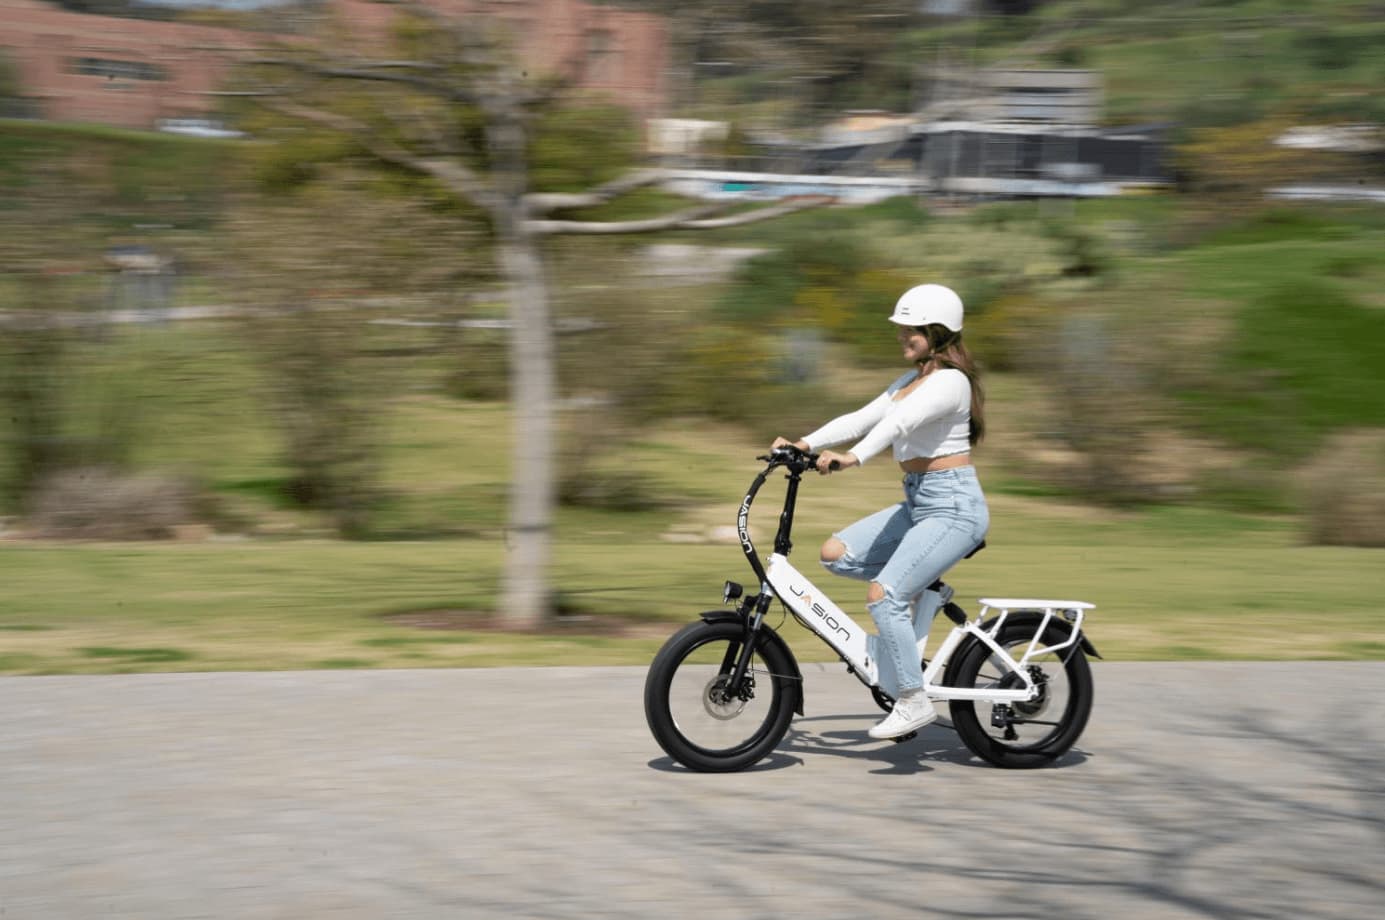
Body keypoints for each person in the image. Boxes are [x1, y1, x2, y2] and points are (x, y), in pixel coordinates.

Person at [772, 283, 989, 740]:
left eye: (911, 329)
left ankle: (912, 699)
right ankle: (924, 592)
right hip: (919, 502)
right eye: (902, 328)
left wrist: (853, 457)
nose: (902, 336)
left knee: (882, 595)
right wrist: (804, 444)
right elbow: (862, 417)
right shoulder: (909, 382)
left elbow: (897, 425)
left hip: (953, 508)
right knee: (835, 553)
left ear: (938, 330)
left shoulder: (951, 382)